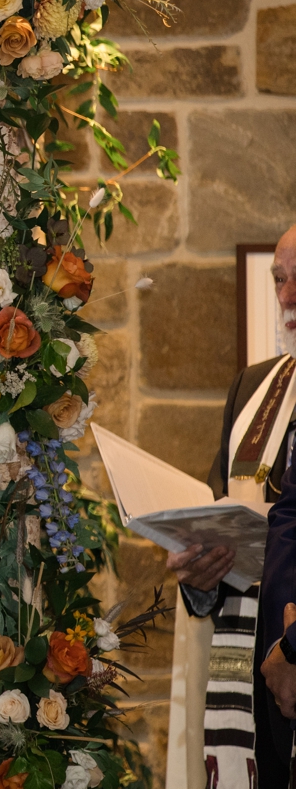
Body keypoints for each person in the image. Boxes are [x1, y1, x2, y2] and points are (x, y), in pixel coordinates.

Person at [166, 223, 296, 789]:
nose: (287, 297)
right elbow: (220, 518)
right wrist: (198, 576)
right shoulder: (252, 389)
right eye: (279, 280)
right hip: (247, 679)